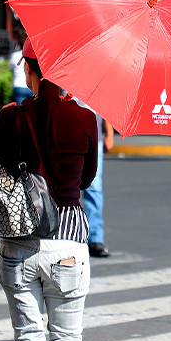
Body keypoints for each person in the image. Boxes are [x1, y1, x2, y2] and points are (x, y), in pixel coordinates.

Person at [0, 37, 98, 341]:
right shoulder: (84, 118)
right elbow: (86, 178)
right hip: (68, 241)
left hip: (20, 242)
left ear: (29, 69)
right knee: (68, 339)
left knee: (29, 340)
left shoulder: (10, 116)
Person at [76, 101, 114, 257]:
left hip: (94, 140)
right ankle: (62, 236)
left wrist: (109, 133)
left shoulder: (99, 77)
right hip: (64, 138)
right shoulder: (62, 78)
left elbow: (106, 103)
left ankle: (95, 239)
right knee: (62, 189)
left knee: (94, 188)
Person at [9, 30, 31, 105]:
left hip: (18, 85)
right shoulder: (31, 55)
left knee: (21, 112)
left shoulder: (14, 55)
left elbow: (11, 70)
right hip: (30, 86)